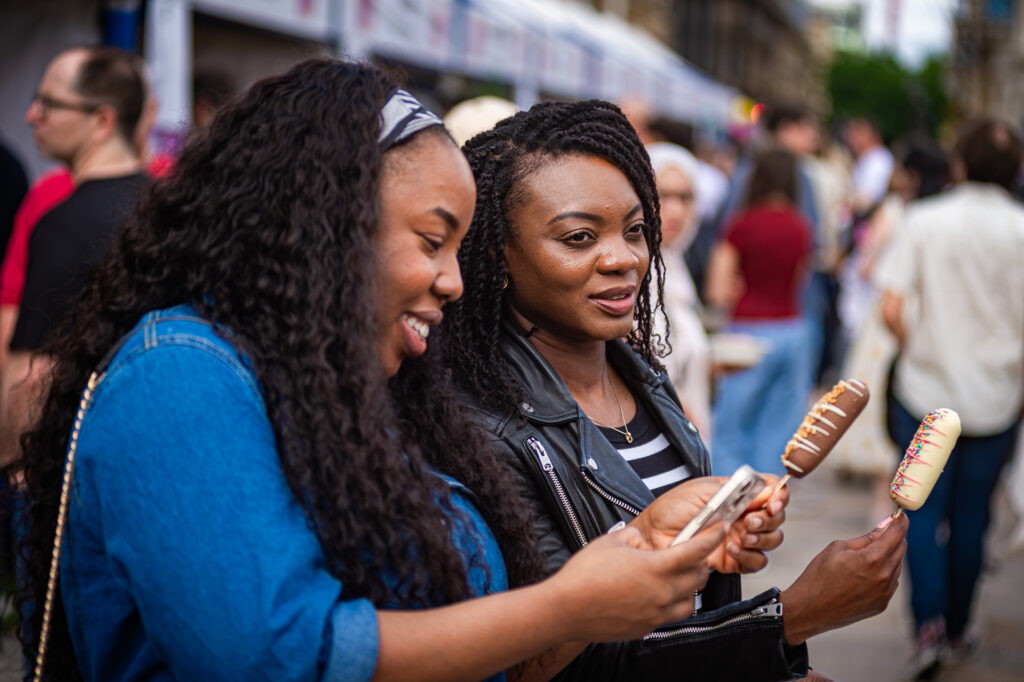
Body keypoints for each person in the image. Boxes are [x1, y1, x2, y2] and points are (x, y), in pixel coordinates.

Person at [8, 58, 737, 682]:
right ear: (326, 225)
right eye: (431, 241)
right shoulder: (179, 376)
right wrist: (568, 604)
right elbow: (282, 657)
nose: (453, 282)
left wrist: (631, 544)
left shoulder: (344, 384)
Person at [441, 99, 909, 682]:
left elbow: (691, 620)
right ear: (496, 252)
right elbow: (543, 667)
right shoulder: (479, 424)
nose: (623, 259)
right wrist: (791, 617)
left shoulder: (646, 378)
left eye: (635, 230)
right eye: (580, 237)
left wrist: (714, 543)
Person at [879, 118, 1024, 679]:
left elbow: (891, 307)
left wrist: (925, 348)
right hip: (997, 398)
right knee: (971, 518)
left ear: (959, 163)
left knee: (919, 513)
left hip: (925, 395)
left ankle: (927, 629)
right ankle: (960, 627)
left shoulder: (925, 220)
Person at [0, 46, 149, 474]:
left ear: (102, 121)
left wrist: (15, 473)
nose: (32, 116)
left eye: (49, 103)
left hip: (66, 468)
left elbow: (32, 377)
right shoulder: (162, 207)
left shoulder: (63, 224)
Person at [832, 137, 949, 518]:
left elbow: (867, 267)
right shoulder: (942, 215)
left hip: (890, 319)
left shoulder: (898, 211)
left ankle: (883, 505)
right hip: (933, 322)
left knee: (882, 408)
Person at [706, 149, 813, 477]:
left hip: (747, 332)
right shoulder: (801, 227)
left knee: (730, 428)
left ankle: (731, 500)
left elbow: (715, 290)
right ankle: (767, 500)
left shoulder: (741, 225)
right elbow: (800, 282)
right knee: (778, 430)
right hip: (793, 330)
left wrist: (737, 287)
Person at [645, 142, 712, 435]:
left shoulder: (675, 266)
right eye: (664, 195)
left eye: (686, 197)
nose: (676, 210)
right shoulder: (629, 272)